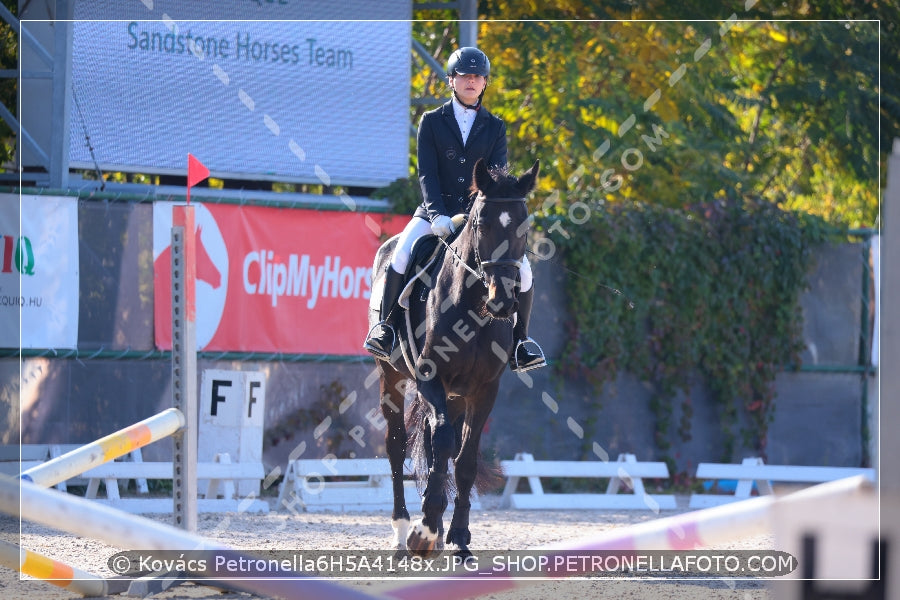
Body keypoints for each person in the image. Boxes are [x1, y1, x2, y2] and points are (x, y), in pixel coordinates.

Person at [364, 46, 546, 372]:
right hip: (435, 211)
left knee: (525, 271)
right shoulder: (431, 122)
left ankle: (521, 342)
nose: (472, 81)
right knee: (401, 253)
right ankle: (385, 329)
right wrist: (436, 215)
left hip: (481, 217)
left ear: (485, 83)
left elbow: (496, 177)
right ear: (451, 80)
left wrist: (480, 213)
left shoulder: (495, 127)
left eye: (478, 77)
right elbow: (427, 174)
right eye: (465, 76)